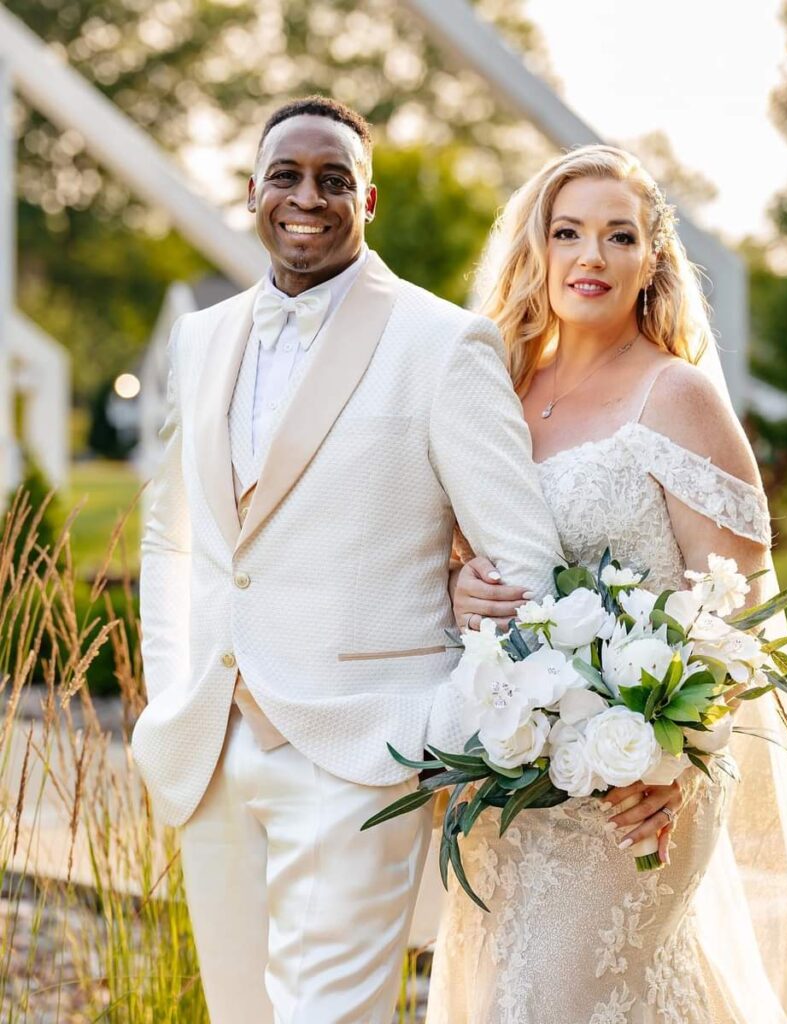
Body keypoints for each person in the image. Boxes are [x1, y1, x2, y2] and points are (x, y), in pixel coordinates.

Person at [131, 96, 565, 1024]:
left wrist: (442, 727)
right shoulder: (200, 339)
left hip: (361, 756)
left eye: (335, 179)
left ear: (368, 205)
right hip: (208, 743)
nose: (307, 196)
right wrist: (172, 690)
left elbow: (528, 564)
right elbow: (171, 534)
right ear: (252, 192)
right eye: (285, 174)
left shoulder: (442, 344)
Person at [426, 145, 787, 1023]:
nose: (590, 257)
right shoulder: (501, 389)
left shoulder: (675, 395)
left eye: (617, 236)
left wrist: (678, 760)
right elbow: (460, 553)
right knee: (500, 995)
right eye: (568, 233)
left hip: (638, 788)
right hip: (508, 777)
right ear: (538, 249)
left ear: (653, 261)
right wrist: (461, 591)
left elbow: (738, 611)